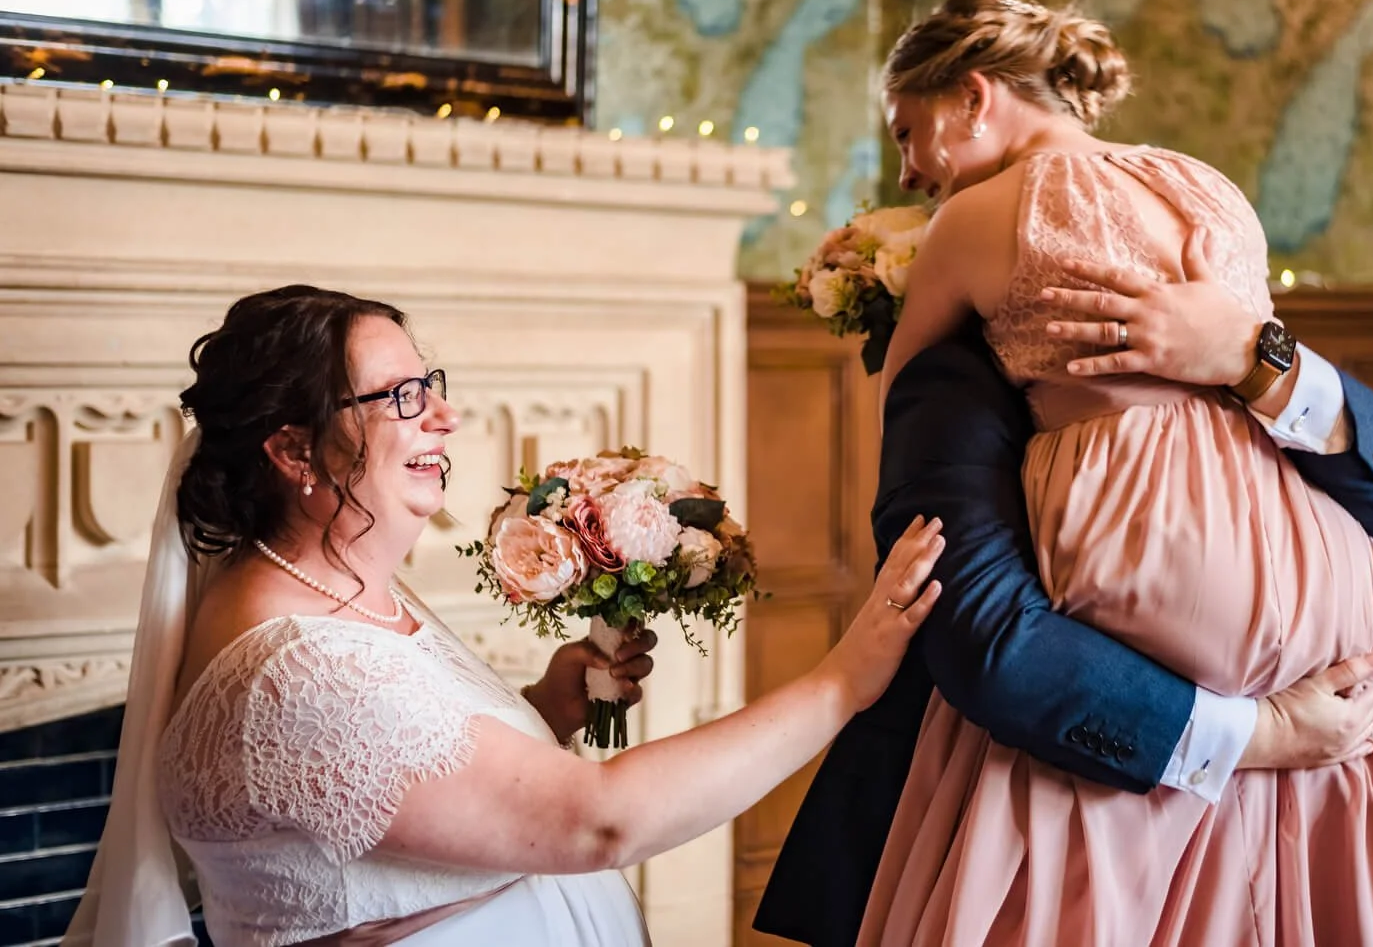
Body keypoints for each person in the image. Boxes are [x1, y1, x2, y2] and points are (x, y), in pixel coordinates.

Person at [760, 0, 1373, 946]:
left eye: (908, 133)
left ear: (974, 97)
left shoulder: (976, 223)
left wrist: (1251, 357)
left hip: (1194, 693)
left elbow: (904, 396)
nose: (910, 172)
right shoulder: (1204, 185)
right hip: (1330, 690)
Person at [64, 284, 945, 947]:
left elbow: (391, 793)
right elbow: (598, 820)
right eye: (401, 397)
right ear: (295, 449)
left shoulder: (334, 589)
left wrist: (545, 708)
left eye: (430, 385)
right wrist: (842, 682)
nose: (445, 416)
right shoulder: (293, 669)